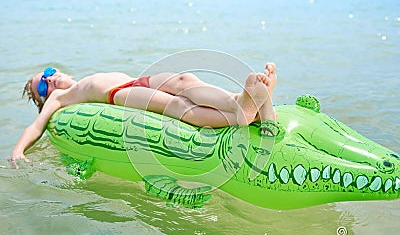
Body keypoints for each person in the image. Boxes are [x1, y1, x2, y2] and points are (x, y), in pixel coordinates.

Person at [9, 63, 278, 166]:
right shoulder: (59, 98)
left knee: (186, 80)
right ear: (43, 98)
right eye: (42, 86)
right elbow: (36, 127)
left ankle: (239, 101)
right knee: (177, 107)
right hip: (119, 94)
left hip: (140, 79)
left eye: (47, 73)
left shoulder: (83, 78)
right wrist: (18, 151)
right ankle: (242, 113)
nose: (50, 80)